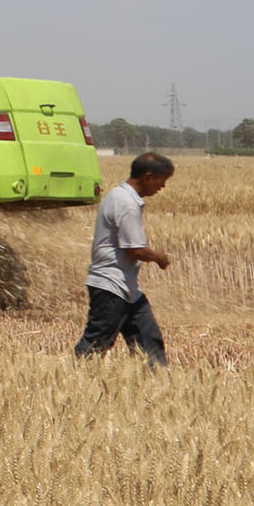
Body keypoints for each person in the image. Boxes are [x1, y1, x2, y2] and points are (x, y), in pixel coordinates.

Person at [75, 151, 174, 364]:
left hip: (127, 287)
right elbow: (135, 249)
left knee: (148, 339)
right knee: (97, 342)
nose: (162, 187)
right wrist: (159, 257)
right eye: (161, 181)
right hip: (110, 285)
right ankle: (72, 379)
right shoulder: (127, 203)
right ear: (148, 177)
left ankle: (159, 384)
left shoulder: (119, 196)